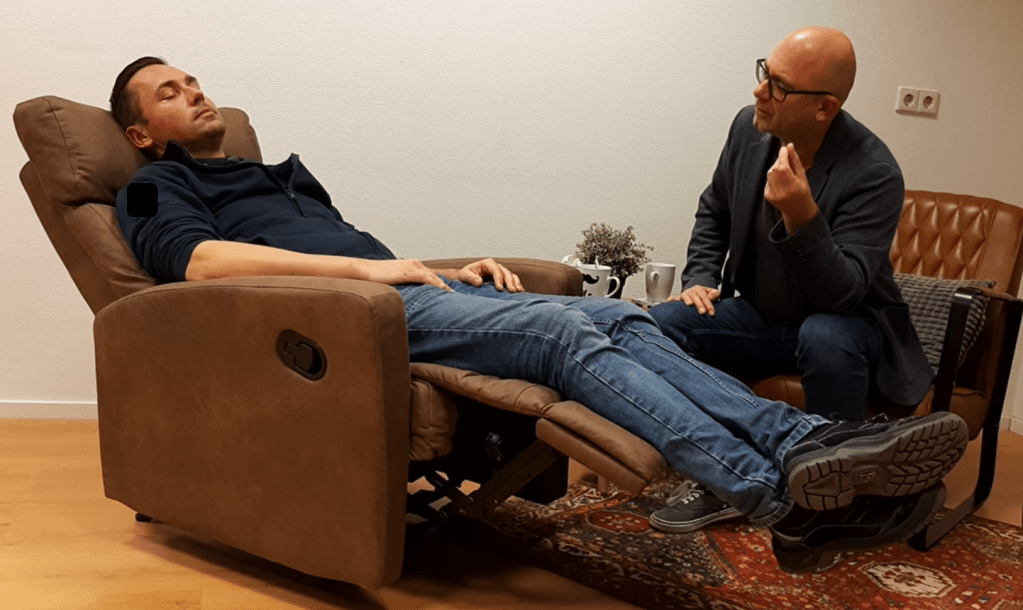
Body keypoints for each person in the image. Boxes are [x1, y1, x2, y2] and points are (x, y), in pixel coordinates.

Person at [110, 55, 965, 573]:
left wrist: (448, 269)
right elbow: (198, 263)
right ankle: (780, 496)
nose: (195, 94)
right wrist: (376, 271)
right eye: (168, 92)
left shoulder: (280, 178)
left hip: (400, 293)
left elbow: (371, 258)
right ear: (142, 133)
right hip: (339, 317)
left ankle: (804, 443)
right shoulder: (157, 186)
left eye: (194, 81)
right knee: (562, 332)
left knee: (615, 318)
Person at [646, 27, 936, 536]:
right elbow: (714, 209)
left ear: (825, 108)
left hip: (849, 325)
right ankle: (722, 474)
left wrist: (802, 216)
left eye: (778, 86)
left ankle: (830, 491)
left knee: (823, 334)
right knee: (665, 324)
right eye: (765, 73)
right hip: (763, 316)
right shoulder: (748, 127)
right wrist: (701, 277)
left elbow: (844, 293)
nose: (760, 91)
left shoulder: (874, 172)